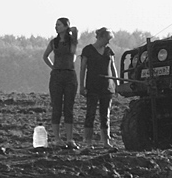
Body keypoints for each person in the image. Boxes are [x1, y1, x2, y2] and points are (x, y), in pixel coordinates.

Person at [42, 17, 80, 148]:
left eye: (59, 25)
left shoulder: (72, 41)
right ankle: (57, 139)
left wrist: (69, 29)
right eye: (55, 25)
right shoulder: (54, 42)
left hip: (70, 74)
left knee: (68, 108)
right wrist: (53, 67)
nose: (56, 27)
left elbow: (76, 30)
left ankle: (70, 139)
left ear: (65, 26)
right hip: (57, 76)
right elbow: (45, 56)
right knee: (56, 107)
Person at [79, 27, 117, 149]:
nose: (108, 42)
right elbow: (83, 69)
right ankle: (88, 142)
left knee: (105, 114)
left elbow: (113, 69)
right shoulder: (88, 50)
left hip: (107, 88)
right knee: (90, 113)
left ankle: (106, 142)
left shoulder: (109, 51)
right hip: (92, 87)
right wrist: (81, 86)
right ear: (100, 37)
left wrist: (117, 85)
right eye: (107, 39)